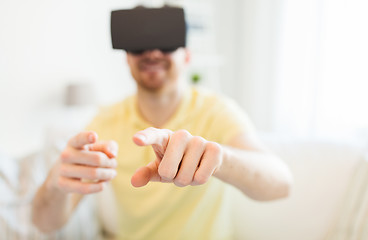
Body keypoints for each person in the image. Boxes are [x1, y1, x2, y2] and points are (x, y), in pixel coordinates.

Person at [31, 6, 293, 240]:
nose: (153, 52)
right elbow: (44, 224)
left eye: (167, 44)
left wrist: (220, 159)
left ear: (187, 56)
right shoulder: (104, 122)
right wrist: (54, 185)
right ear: (127, 58)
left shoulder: (216, 111)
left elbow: (281, 184)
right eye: (139, 45)